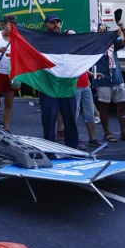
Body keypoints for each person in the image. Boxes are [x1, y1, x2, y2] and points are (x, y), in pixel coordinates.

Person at [37, 15, 80, 148]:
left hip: (66, 87)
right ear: (46, 25)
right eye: (52, 23)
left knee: (70, 120)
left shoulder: (66, 41)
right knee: (49, 121)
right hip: (48, 87)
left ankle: (72, 149)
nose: (56, 25)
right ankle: (50, 150)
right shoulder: (40, 41)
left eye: (58, 22)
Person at [94, 21, 125, 144]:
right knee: (104, 107)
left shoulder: (113, 43)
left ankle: (124, 132)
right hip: (103, 81)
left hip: (117, 80)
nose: (105, 32)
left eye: (106, 30)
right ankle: (107, 132)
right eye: (102, 30)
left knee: (123, 105)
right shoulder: (95, 44)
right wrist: (99, 33)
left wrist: (122, 27)